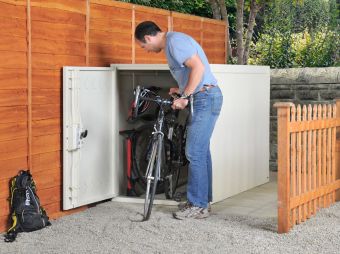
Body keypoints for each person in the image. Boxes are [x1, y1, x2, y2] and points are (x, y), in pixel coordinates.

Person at [135, 21, 223, 220]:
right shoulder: (173, 42)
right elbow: (191, 72)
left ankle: (198, 205)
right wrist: (181, 90)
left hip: (205, 98)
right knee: (201, 151)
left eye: (143, 46)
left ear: (148, 38)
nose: (146, 50)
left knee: (194, 151)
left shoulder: (174, 42)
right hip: (203, 97)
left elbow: (198, 68)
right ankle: (203, 202)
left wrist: (185, 97)